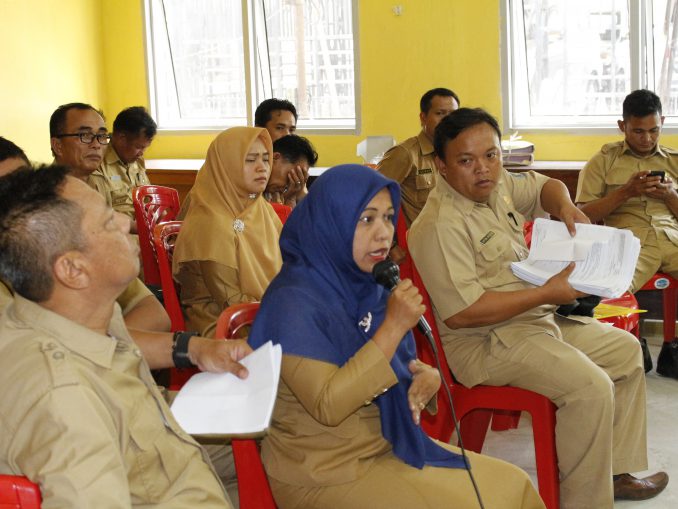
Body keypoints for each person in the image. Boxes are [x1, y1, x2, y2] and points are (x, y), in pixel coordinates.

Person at [408, 108, 668, 508]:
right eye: (466, 160)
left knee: (625, 351)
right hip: (485, 342)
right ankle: (585, 501)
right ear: (442, 166)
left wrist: (565, 207)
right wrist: (547, 292)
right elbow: (465, 313)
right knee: (590, 387)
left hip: (533, 319)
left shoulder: (495, 185)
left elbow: (546, 186)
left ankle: (615, 474)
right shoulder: (439, 225)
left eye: (491, 155)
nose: (483, 169)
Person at [247, 164, 546, 509]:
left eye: (388, 218)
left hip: (387, 444)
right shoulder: (293, 301)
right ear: (332, 220)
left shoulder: (365, 284)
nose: (383, 234)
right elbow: (328, 405)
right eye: (366, 219)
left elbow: (391, 363)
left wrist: (426, 377)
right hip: (325, 470)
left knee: (513, 486)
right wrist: (393, 326)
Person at [0, 165, 244, 507]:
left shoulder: (81, 314)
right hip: (176, 487)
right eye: (106, 222)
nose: (125, 222)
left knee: (282, 437)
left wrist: (196, 354)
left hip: (175, 463)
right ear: (73, 270)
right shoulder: (65, 398)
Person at [575, 89, 678, 377]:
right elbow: (582, 215)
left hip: (672, 239)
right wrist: (626, 192)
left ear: (662, 123)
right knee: (606, 289)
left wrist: (671, 195)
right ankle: (630, 345)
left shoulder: (674, 160)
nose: (647, 138)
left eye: (654, 130)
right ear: (623, 126)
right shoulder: (603, 160)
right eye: (638, 131)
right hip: (630, 242)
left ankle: (672, 350)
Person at [173, 127, 282, 337]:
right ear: (226, 166)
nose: (262, 167)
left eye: (266, 159)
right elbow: (231, 300)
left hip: (263, 313)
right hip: (222, 325)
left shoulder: (260, 208)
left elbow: (289, 265)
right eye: (250, 160)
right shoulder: (209, 221)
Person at [377, 87, 460, 227]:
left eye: (452, 114)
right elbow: (373, 197)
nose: (447, 120)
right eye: (440, 113)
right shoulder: (405, 153)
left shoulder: (458, 152)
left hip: (455, 232)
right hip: (423, 237)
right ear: (423, 118)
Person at [90, 106, 157, 233]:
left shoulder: (137, 161)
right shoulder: (97, 165)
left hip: (147, 231)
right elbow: (99, 220)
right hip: (120, 236)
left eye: (144, 148)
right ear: (121, 138)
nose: (141, 153)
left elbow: (149, 199)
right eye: (138, 147)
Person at [264, 134, 318, 209]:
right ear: (275, 157)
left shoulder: (274, 196)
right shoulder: (251, 189)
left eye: (298, 178)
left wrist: (291, 199)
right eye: (292, 175)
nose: (291, 185)